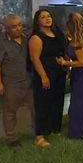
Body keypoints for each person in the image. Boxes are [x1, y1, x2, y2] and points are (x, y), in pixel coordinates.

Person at [0, 14, 33, 147]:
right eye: (14, 27)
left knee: (35, 108)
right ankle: (12, 139)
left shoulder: (26, 39)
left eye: (20, 25)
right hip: (10, 83)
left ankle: (37, 133)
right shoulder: (0, 44)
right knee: (10, 112)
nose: (18, 28)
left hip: (28, 81)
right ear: (7, 28)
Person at [28, 9, 67, 148]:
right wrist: (43, 76)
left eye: (49, 16)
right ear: (37, 21)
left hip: (59, 73)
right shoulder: (36, 38)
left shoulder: (57, 34)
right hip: (45, 74)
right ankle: (40, 135)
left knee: (57, 102)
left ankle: (55, 129)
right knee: (43, 104)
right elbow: (35, 58)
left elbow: (63, 51)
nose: (47, 18)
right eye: (43, 17)